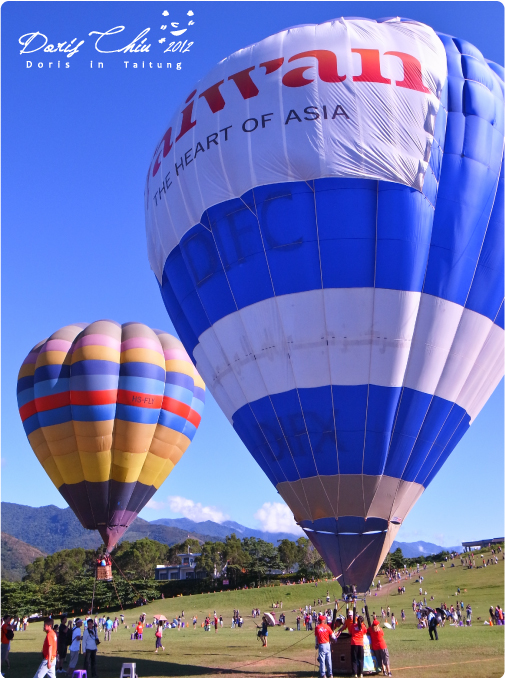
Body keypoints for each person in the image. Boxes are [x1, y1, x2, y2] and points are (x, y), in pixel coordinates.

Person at [315, 613, 337, 678]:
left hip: (321, 645)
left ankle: (323, 674)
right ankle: (330, 674)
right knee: (329, 660)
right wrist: (335, 640)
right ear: (323, 620)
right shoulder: (327, 627)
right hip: (327, 644)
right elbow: (332, 635)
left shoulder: (317, 627)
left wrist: (316, 644)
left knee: (322, 660)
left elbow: (316, 637)